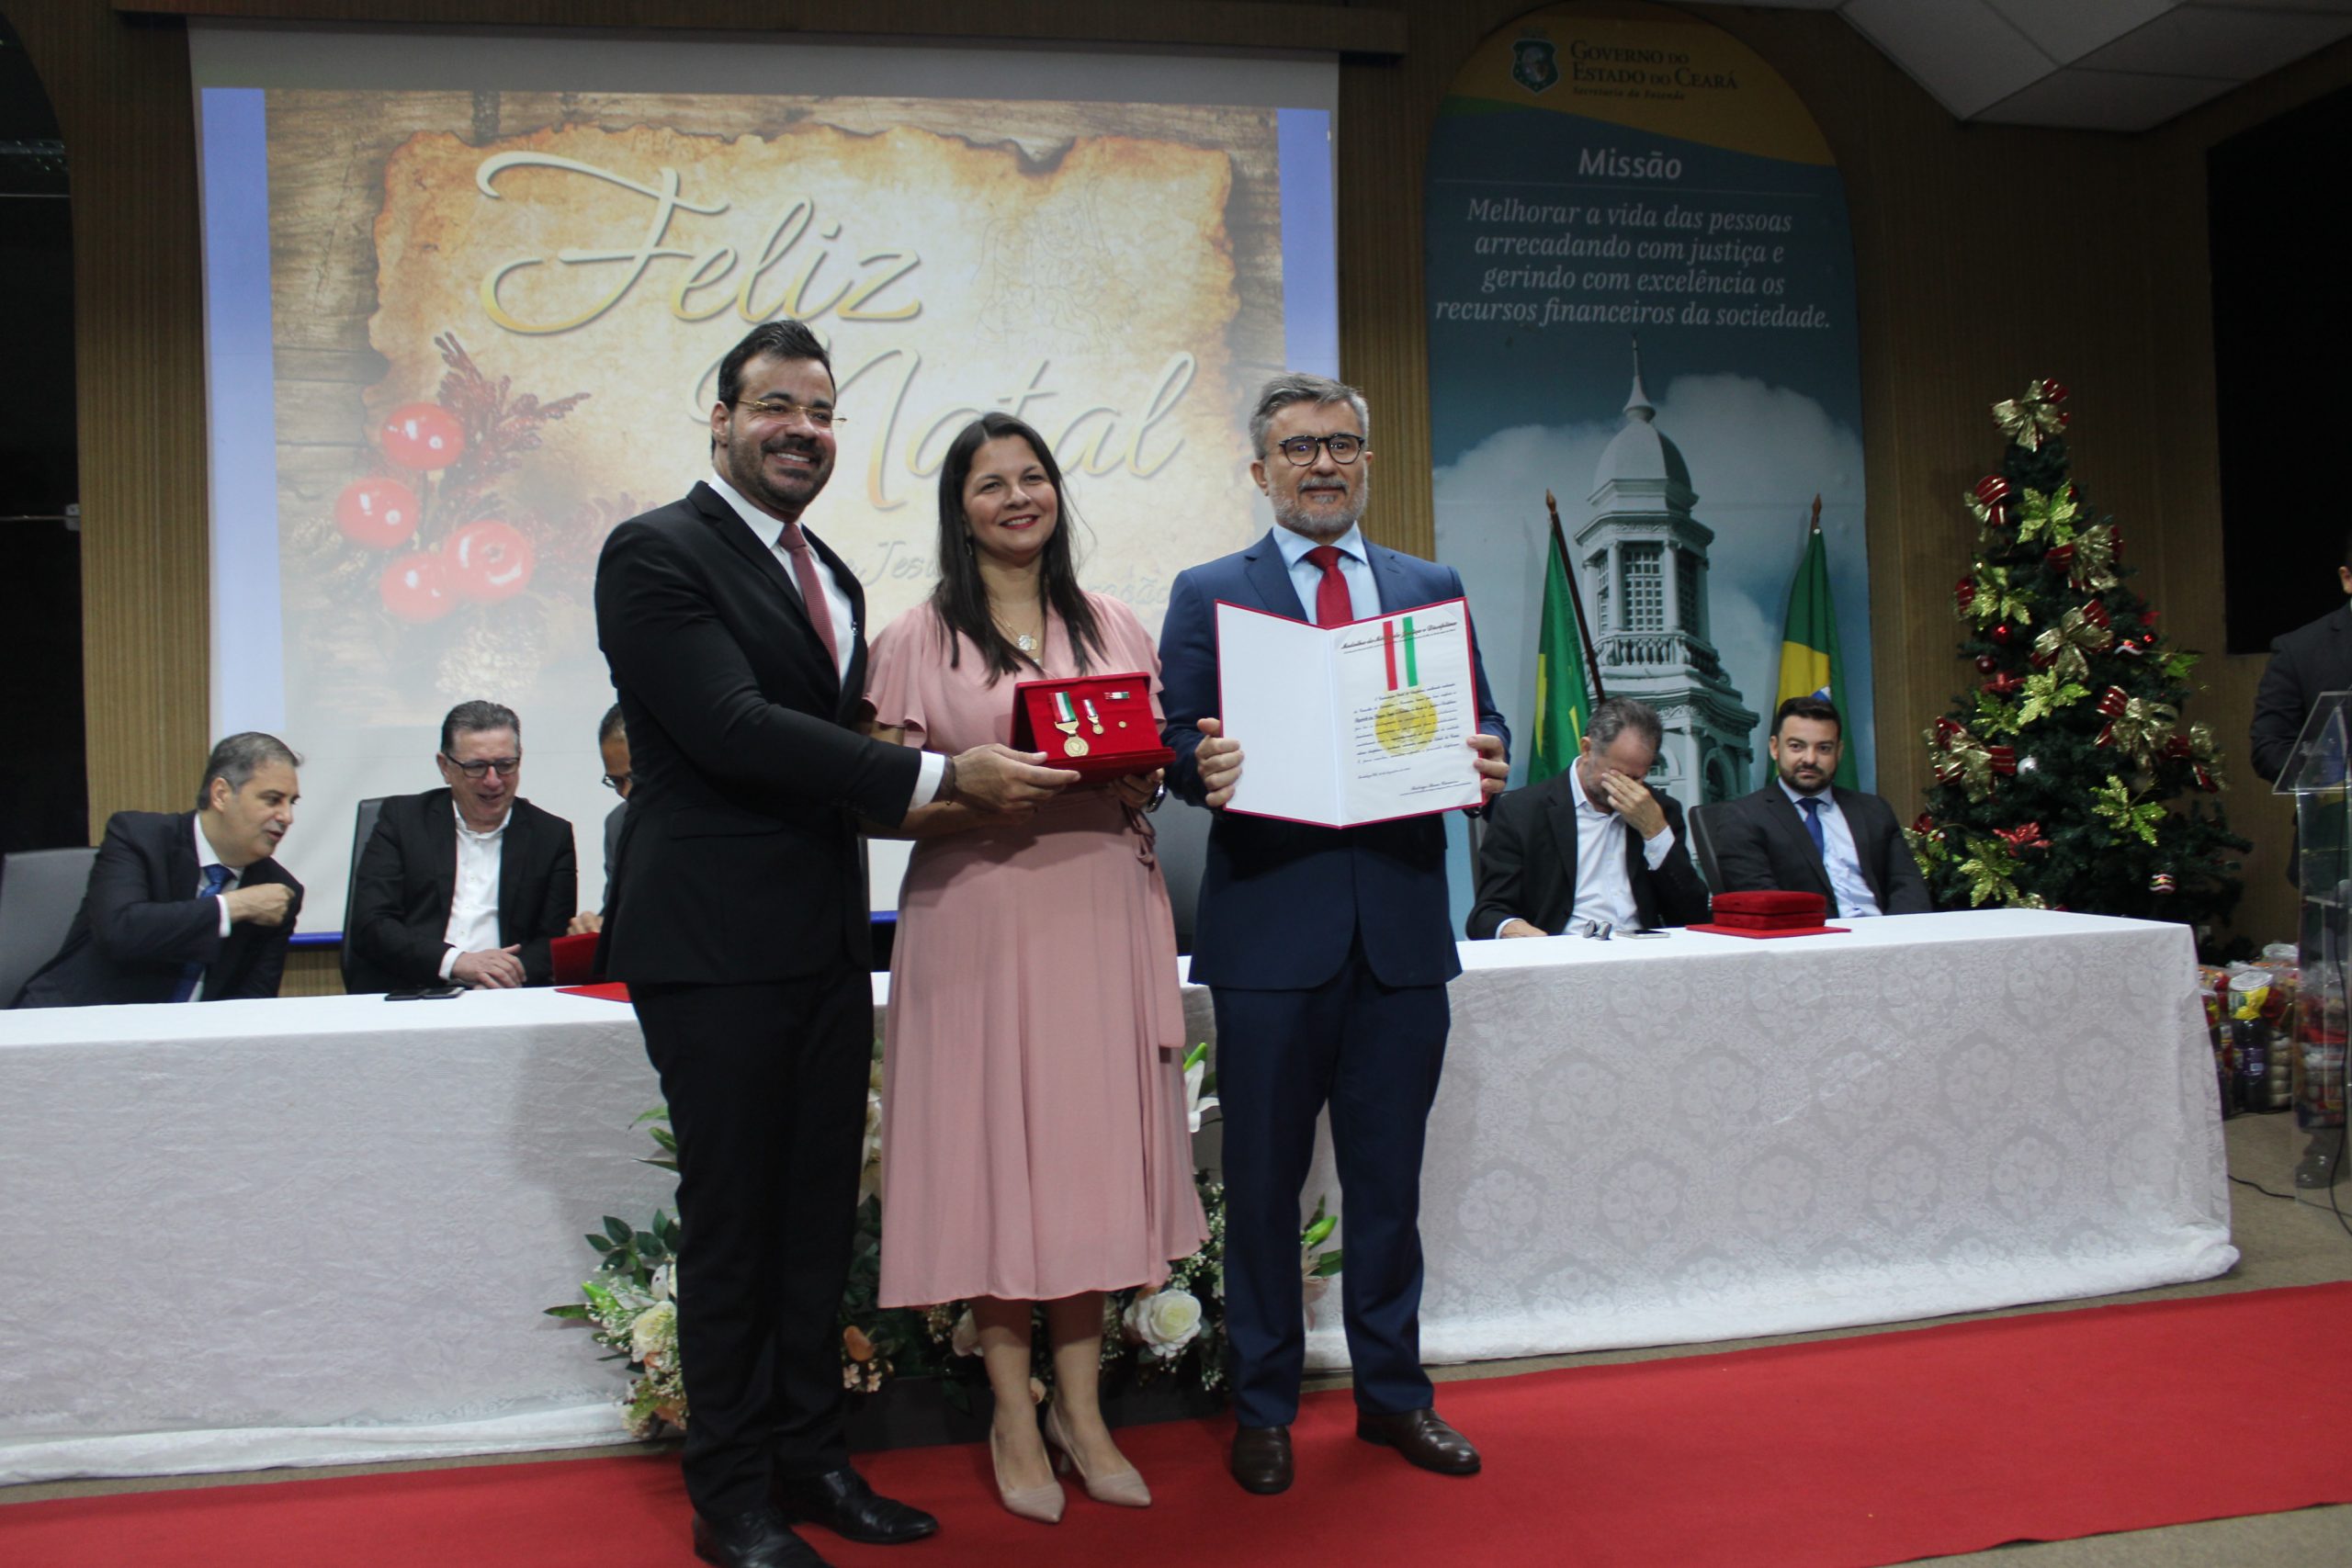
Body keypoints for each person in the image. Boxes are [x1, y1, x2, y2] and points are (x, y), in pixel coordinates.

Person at [594, 320, 1071, 1568]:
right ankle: (732, 1496)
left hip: (818, 935)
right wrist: (934, 767)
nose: (802, 428)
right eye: (777, 406)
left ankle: (813, 1457)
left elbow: (847, 784)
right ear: (721, 418)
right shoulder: (654, 551)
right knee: (737, 1222)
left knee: (814, 1220)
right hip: (708, 940)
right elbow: (733, 727)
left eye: (821, 410)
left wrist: (1029, 789)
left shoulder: (838, 576)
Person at [1157, 372, 1510, 1495]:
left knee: (1388, 1186)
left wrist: (1487, 757)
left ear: (1367, 462)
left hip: (1401, 937)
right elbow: (1172, 737)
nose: (1323, 464)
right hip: (1268, 941)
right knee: (1261, 1189)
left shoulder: (1428, 585)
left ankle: (1394, 1400)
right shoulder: (1210, 590)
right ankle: (1260, 1408)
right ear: (1261, 470)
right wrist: (1193, 764)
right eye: (1300, 447)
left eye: (1343, 446)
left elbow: (1479, 718)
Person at [863, 413, 1204, 1524]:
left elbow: (1151, 757)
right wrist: (968, 792)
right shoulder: (916, 636)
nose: (1017, 498)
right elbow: (873, 799)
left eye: (1033, 477)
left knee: (1084, 1161)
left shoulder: (1113, 621)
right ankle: (1012, 1411)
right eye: (988, 484)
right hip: (975, 913)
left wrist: (1142, 776)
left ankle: (1082, 1406)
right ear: (957, 510)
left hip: (1101, 907)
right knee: (990, 1161)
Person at [18, 732, 303, 1008]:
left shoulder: (277, 892)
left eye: (291, 803)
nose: (286, 817)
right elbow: (121, 931)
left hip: (186, 1047)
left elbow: (252, 1004)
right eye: (272, 800)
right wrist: (231, 907)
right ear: (221, 794)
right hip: (74, 1023)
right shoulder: (139, 837)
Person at [344, 701, 578, 994]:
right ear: (445, 767)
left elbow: (552, 941)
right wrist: (456, 962)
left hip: (505, 997)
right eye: (477, 767)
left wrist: (501, 977)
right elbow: (372, 925)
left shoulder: (551, 835)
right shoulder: (402, 820)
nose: (493, 781)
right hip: (409, 992)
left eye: (505, 765)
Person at [1466, 696, 1709, 938]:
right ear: (1587, 749)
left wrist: (1656, 834)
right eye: (1616, 773)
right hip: (1561, 953)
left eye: (1636, 778)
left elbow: (1693, 914)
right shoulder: (1522, 811)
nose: (1624, 786)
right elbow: (1487, 914)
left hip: (1643, 955)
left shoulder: (1659, 810)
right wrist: (1516, 930)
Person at [1708, 695, 1930, 918]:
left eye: (1823, 748)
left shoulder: (1874, 810)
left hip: (1885, 938)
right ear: (1775, 748)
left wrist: (1899, 937)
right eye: (1797, 746)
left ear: (1838, 752)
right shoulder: (1744, 817)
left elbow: (1908, 887)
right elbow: (1764, 904)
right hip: (1809, 942)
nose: (1810, 759)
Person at [2249, 535, 2352, 784]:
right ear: (2347, 579)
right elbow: (2270, 749)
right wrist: (2333, 772)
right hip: (2337, 816)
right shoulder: (2299, 650)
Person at [569, 703, 631, 936]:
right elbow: (616, 914)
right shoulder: (617, 823)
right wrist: (592, 927)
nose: (625, 792)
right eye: (615, 781)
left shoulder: (711, 818)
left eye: (634, 776)